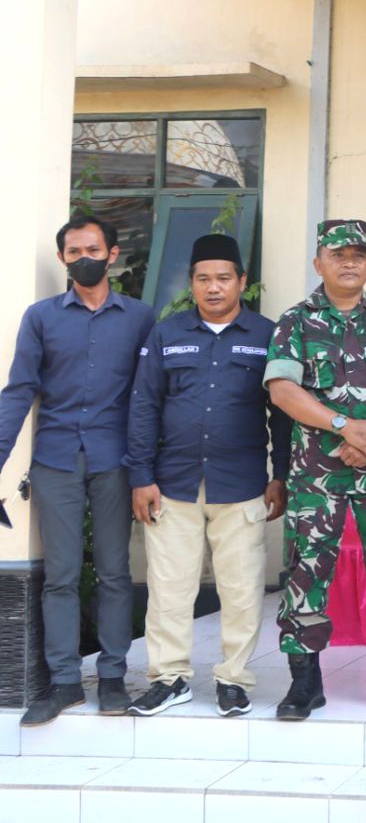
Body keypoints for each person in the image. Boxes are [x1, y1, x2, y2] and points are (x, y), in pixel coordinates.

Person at [264, 219, 366, 720]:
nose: (349, 262)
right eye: (338, 255)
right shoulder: (296, 322)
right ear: (319, 263)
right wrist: (343, 426)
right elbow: (282, 390)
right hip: (317, 471)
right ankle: (304, 683)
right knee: (306, 569)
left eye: (359, 254)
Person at [123, 234, 290, 718]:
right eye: (203, 279)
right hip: (172, 484)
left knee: (241, 590)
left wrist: (280, 475)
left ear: (241, 281)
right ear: (191, 283)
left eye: (222, 278)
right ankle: (169, 678)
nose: (213, 287)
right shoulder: (166, 333)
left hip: (242, 484)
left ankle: (233, 680)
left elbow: (282, 414)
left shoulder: (267, 335)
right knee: (169, 589)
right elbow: (143, 407)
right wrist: (140, 475)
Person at [0, 215, 154, 726]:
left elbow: (149, 396)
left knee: (114, 573)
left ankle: (112, 678)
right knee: (60, 576)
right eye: (73, 252)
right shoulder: (41, 317)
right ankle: (64, 682)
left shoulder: (140, 318)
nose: (83, 258)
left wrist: (146, 467)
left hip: (116, 460)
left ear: (112, 254)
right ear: (62, 259)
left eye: (92, 249)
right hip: (56, 459)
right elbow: (20, 390)